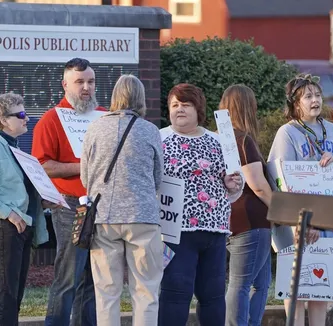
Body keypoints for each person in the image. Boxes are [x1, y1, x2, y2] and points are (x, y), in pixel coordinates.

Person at [267, 74, 333, 326]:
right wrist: (301, 223)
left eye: (318, 95)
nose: (315, 100)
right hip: (299, 224)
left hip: (329, 222)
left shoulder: (332, 130)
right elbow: (281, 180)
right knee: (297, 288)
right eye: (308, 96)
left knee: (321, 288)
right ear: (295, 103)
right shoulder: (287, 133)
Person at [81, 74, 164, 326]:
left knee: (106, 293)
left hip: (103, 218)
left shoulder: (94, 128)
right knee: (146, 291)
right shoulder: (150, 131)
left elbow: (86, 176)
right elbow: (157, 177)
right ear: (141, 98)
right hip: (142, 217)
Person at [158, 83, 244, 326]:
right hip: (174, 232)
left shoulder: (218, 141)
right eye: (175, 105)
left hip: (214, 230)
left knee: (213, 294)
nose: (180, 109)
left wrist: (232, 182)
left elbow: (237, 184)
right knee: (176, 292)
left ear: (198, 109)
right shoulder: (159, 138)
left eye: (186, 105)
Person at [0, 92, 55, 326]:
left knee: (14, 295)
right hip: (3, 227)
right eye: (22, 114)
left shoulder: (14, 149)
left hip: (20, 226)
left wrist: (44, 201)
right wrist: (10, 213)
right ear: (4, 119)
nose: (28, 119)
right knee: (5, 294)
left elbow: (17, 191)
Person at [32, 58, 105, 326]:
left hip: (102, 204)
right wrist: (82, 167)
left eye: (90, 81)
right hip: (70, 205)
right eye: (79, 82)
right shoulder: (51, 120)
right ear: (65, 84)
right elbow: (42, 165)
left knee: (93, 278)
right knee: (68, 276)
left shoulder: (104, 116)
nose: (86, 87)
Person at [220, 84, 274, 326]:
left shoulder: (218, 140)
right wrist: (284, 212)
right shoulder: (243, 140)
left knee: (258, 284)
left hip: (228, 218)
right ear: (247, 108)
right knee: (242, 285)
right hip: (253, 221)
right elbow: (258, 184)